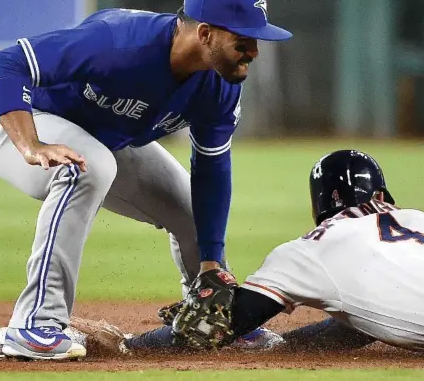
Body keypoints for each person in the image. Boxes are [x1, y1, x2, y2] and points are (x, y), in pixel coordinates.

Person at [0, 0, 292, 360]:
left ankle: (213, 317)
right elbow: (7, 63)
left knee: (191, 212)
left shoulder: (220, 85)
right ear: (205, 34)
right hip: (21, 119)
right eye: (243, 40)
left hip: (105, 139)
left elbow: (211, 170)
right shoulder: (117, 41)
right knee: (88, 166)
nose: (254, 51)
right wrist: (30, 143)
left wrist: (210, 258)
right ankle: (35, 323)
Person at [70, 150, 424, 354]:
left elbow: (210, 327)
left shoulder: (313, 247)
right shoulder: (415, 219)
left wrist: (130, 344)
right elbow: (355, 328)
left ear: (320, 200)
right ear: (382, 196)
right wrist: (285, 345)